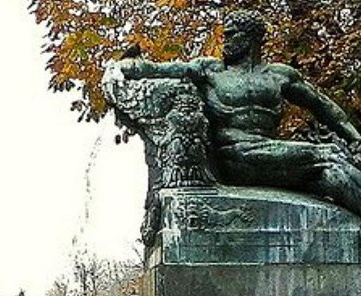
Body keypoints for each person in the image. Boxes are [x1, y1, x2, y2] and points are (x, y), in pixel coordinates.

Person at [105, 9, 361, 215]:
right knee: (328, 154)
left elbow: (325, 108)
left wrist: (355, 138)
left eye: (231, 35)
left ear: (251, 39)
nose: (225, 41)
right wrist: (131, 66)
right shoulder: (211, 70)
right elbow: (165, 69)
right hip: (233, 155)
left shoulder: (280, 75)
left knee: (332, 175)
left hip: (270, 155)